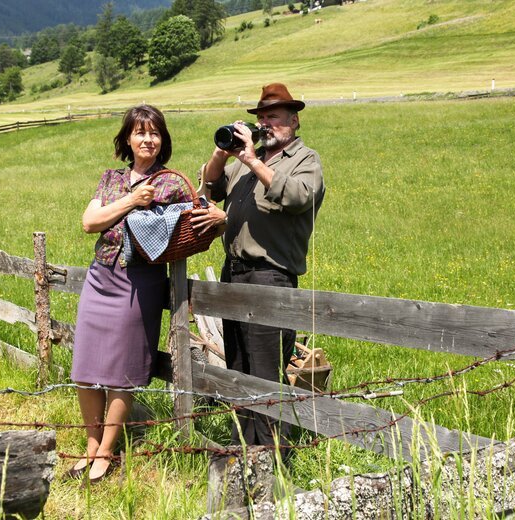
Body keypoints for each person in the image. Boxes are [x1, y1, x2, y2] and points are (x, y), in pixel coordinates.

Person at [191, 83, 325, 449]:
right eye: (262, 118)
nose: (266, 125)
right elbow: (212, 187)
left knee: (265, 372)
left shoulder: (305, 160)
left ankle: (270, 455)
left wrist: (251, 160)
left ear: (294, 121)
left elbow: (297, 198)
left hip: (271, 276)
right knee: (237, 367)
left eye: (274, 118)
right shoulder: (246, 160)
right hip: (234, 273)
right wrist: (223, 151)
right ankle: (242, 447)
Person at [69, 104, 194, 483]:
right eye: (140, 132)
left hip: (140, 280)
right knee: (85, 369)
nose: (148, 140)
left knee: (122, 369)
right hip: (100, 277)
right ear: (127, 138)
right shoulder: (111, 179)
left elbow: (194, 215)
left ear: (162, 140)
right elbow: (90, 222)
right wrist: (132, 201)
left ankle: (107, 450)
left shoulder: (170, 183)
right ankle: (89, 446)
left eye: (155, 133)